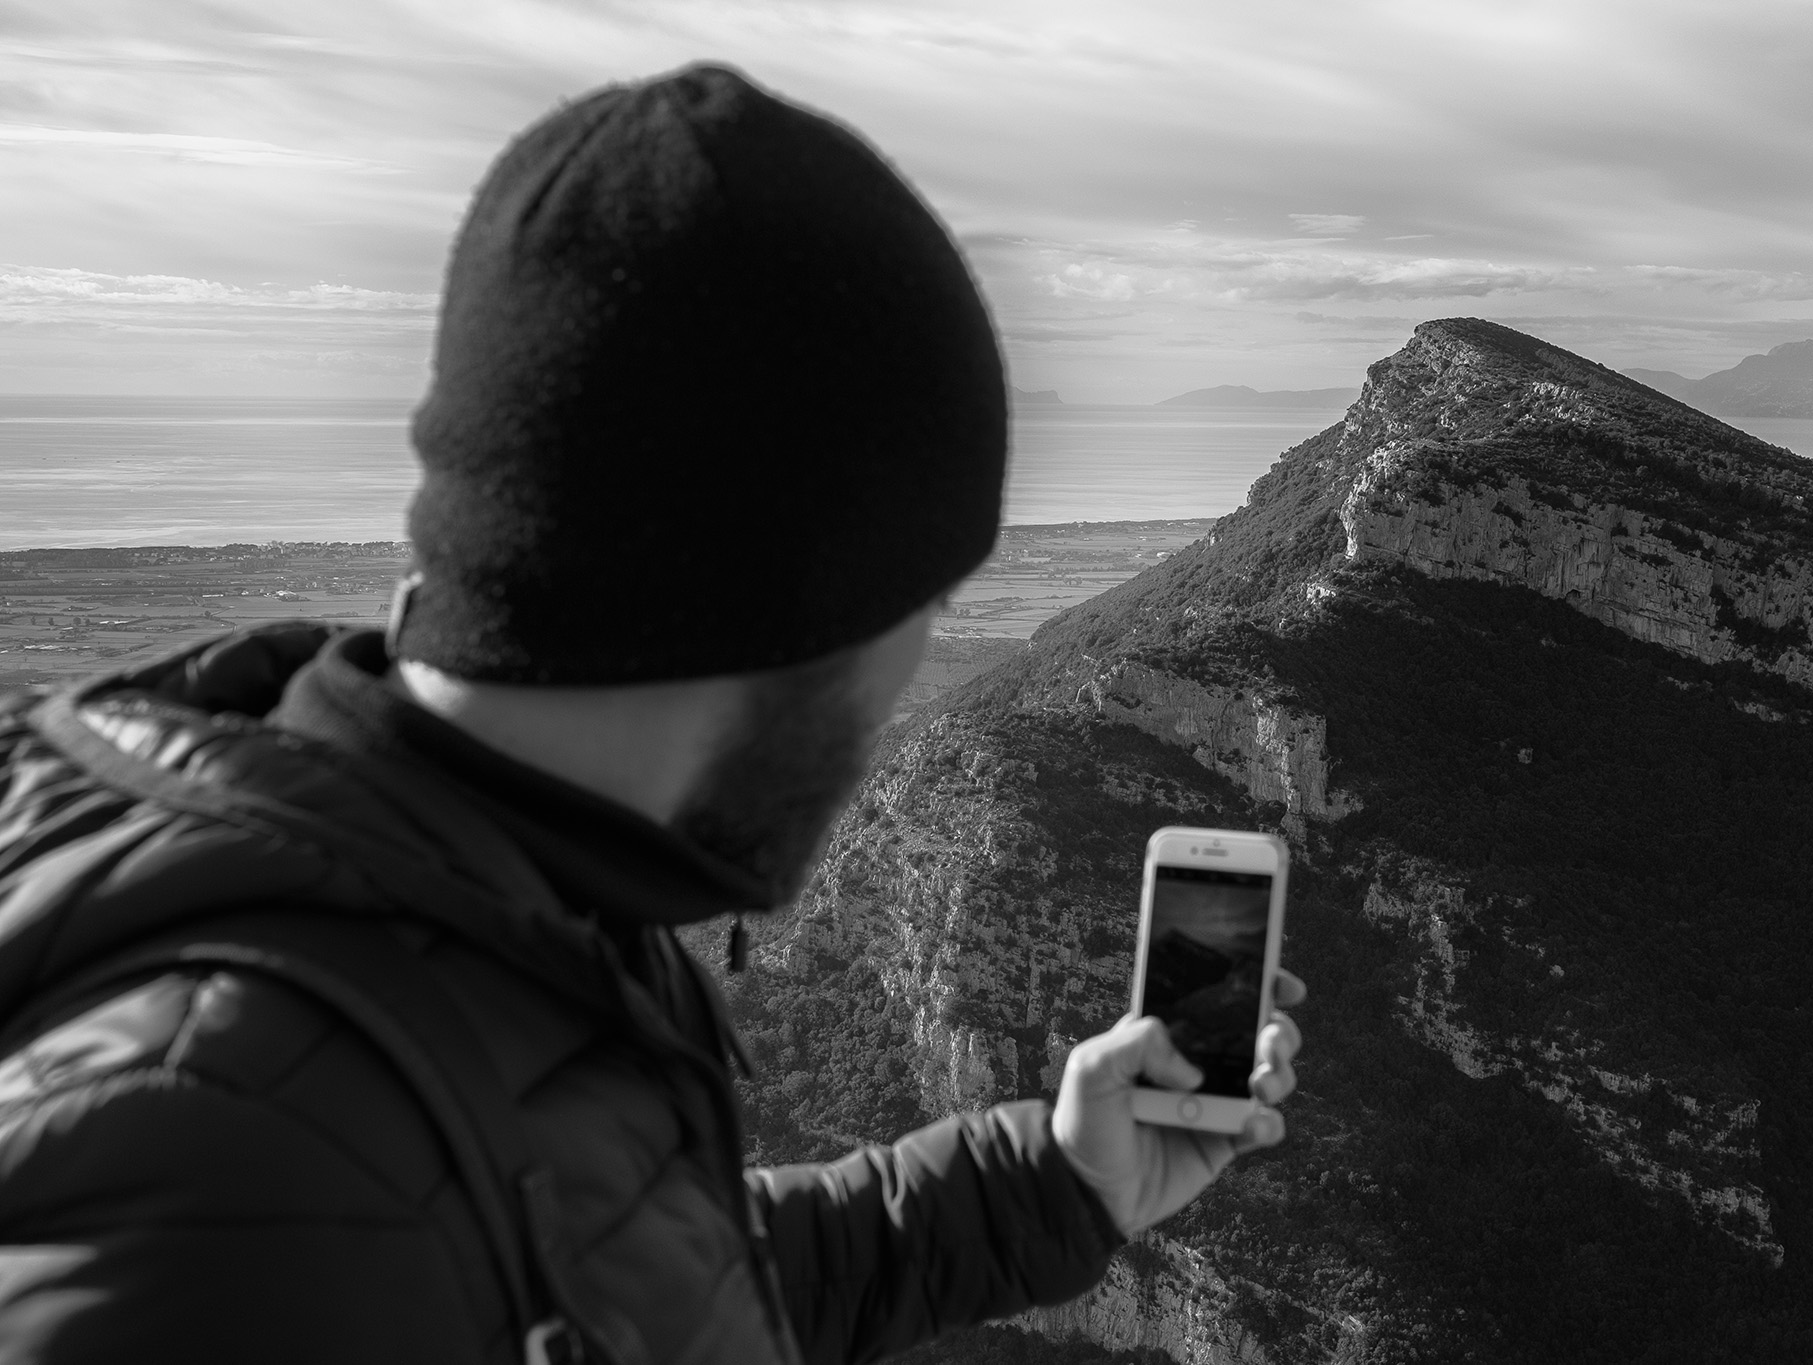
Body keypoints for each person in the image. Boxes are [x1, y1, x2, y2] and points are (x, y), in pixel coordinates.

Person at [0, 65, 1301, 1364]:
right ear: (776, 609)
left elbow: (623, 1291)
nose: (915, 670)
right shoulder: (221, 1177)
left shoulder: (489, 913)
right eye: (919, 598)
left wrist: (1056, 1184)